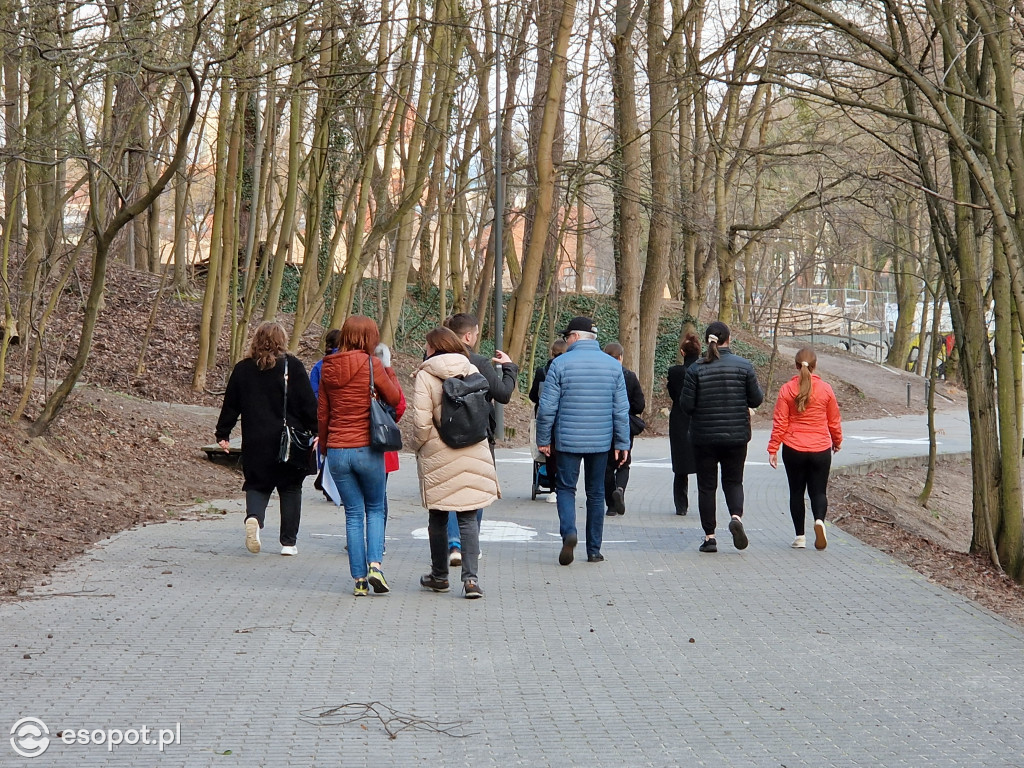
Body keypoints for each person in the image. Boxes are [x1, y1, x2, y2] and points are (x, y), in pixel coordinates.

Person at [215, 321, 318, 556]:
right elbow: (307, 405)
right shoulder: (293, 367)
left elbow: (230, 404)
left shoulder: (243, 369)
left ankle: (253, 518)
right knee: (291, 489)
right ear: (282, 341)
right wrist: (318, 431)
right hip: (288, 442)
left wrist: (223, 433)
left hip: (255, 440)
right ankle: (288, 543)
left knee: (257, 485)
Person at [410, 326, 499, 598]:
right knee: (468, 517)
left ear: (434, 347)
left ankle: (439, 576)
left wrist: (420, 445)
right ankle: (471, 580)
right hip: (473, 447)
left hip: (439, 452)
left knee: (437, 516)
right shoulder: (472, 369)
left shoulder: (426, 375)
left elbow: (421, 422)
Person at [318, 315, 403, 596]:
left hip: (339, 450)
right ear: (369, 338)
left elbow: (323, 413)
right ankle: (375, 566)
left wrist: (324, 449)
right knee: (375, 508)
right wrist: (387, 370)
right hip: (367, 448)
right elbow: (393, 399)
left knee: (353, 514)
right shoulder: (372, 364)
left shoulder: (327, 367)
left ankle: (358, 582)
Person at [535, 316, 630, 565]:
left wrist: (543, 439)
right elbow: (621, 409)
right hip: (601, 441)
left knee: (566, 488)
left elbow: (547, 408)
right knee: (596, 493)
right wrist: (622, 443)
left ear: (575, 337)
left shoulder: (560, 364)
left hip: (567, 440)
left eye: (567, 337)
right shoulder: (613, 367)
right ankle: (594, 550)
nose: (566, 341)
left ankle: (569, 533)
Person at [680, 321, 764, 553]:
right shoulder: (744, 366)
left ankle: (710, 537)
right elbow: (756, 400)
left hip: (704, 437)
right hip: (736, 436)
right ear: (728, 339)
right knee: (734, 481)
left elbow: (686, 405)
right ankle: (736, 517)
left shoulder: (695, 369)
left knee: (707, 487)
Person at [442, 313, 519, 566]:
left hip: (446, 434)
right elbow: (504, 394)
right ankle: (469, 545)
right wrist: (509, 368)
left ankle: (453, 544)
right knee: (475, 491)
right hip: (478, 436)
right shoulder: (479, 363)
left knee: (451, 490)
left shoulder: (435, 361)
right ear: (468, 336)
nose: (476, 337)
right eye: (475, 334)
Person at [767, 347, 843, 550]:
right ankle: (819, 520)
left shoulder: (787, 389)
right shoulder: (826, 389)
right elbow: (834, 420)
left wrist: (773, 448)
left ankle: (800, 537)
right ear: (815, 365)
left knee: (796, 492)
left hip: (794, 448)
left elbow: (780, 422)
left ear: (796, 365)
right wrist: (837, 441)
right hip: (820, 448)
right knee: (819, 492)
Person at [602, 342, 645, 517]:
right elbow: (639, 405)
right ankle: (620, 488)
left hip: (603, 425)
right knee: (623, 463)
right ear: (621, 357)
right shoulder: (629, 376)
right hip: (624, 424)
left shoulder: (600, 376)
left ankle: (611, 506)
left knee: (606, 467)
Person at [666, 332, 703, 515]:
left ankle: (681, 506)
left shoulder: (675, 373)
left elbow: (673, 395)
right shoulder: (705, 370)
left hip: (680, 419)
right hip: (701, 420)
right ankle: (706, 503)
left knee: (680, 468)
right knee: (704, 466)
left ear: (682, 352)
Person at [529, 338, 567, 503]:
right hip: (565, 416)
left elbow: (532, 395)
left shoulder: (542, 371)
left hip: (545, 417)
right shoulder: (568, 369)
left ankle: (552, 488)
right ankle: (564, 486)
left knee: (549, 453)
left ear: (551, 352)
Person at [374, 342, 407, 538]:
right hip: (383, 442)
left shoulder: (359, 371)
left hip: (355, 442)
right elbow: (400, 405)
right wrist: (388, 421)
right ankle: (377, 539)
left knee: (357, 500)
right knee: (379, 496)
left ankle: (360, 537)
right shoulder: (387, 377)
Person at [311, 329, 342, 501]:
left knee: (326, 446)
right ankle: (334, 482)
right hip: (344, 412)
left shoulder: (319, 365)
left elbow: (313, 392)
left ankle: (325, 479)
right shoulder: (350, 362)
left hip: (324, 412)